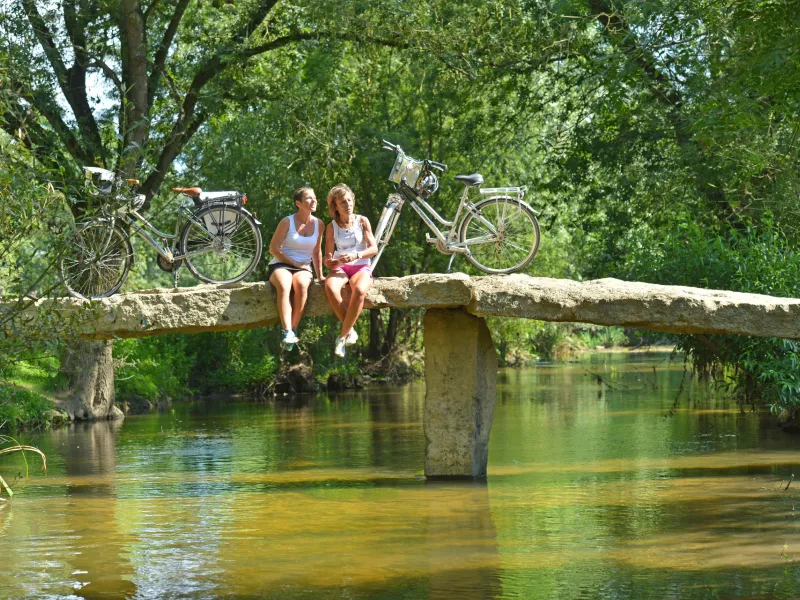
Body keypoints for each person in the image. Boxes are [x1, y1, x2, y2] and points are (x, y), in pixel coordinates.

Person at [323, 184, 377, 358]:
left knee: (359, 290)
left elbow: (374, 249)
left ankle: (341, 337)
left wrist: (356, 255)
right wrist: (330, 261)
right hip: (342, 266)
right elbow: (327, 257)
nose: (348, 205)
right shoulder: (331, 227)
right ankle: (350, 330)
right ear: (335, 207)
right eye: (343, 202)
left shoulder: (362, 220)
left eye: (349, 200)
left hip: (361, 265)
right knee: (330, 287)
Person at [267, 187, 324, 349]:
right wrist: (294, 263)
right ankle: (286, 331)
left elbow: (316, 252)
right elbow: (273, 249)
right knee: (284, 284)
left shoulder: (319, 224)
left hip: (303, 267)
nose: (314, 201)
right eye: (309, 198)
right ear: (298, 203)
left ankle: (293, 330)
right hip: (281, 263)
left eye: (314, 197)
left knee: (301, 284)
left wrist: (320, 276)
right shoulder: (287, 222)